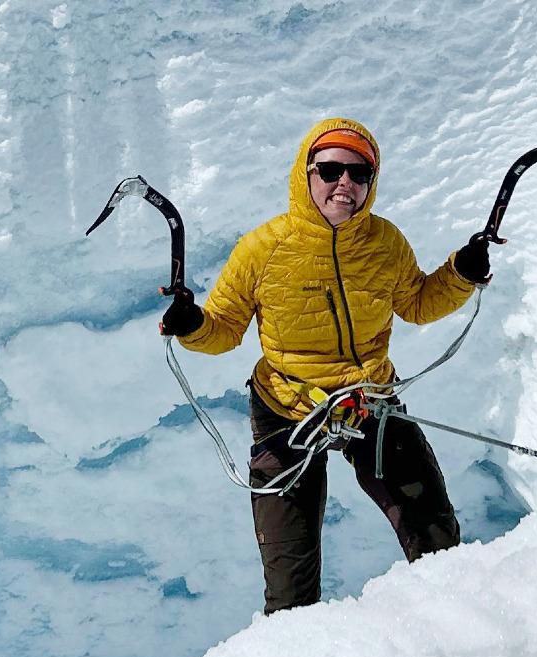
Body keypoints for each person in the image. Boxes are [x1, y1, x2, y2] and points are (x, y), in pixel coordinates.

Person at [158, 118, 492, 613]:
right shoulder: (262, 249)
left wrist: (460, 275)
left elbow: (418, 303)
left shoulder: (385, 242)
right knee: (290, 592)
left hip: (370, 403)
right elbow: (224, 330)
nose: (346, 184)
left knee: (437, 541)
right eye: (331, 169)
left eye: (360, 174)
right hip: (287, 411)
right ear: (305, 174)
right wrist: (191, 324)